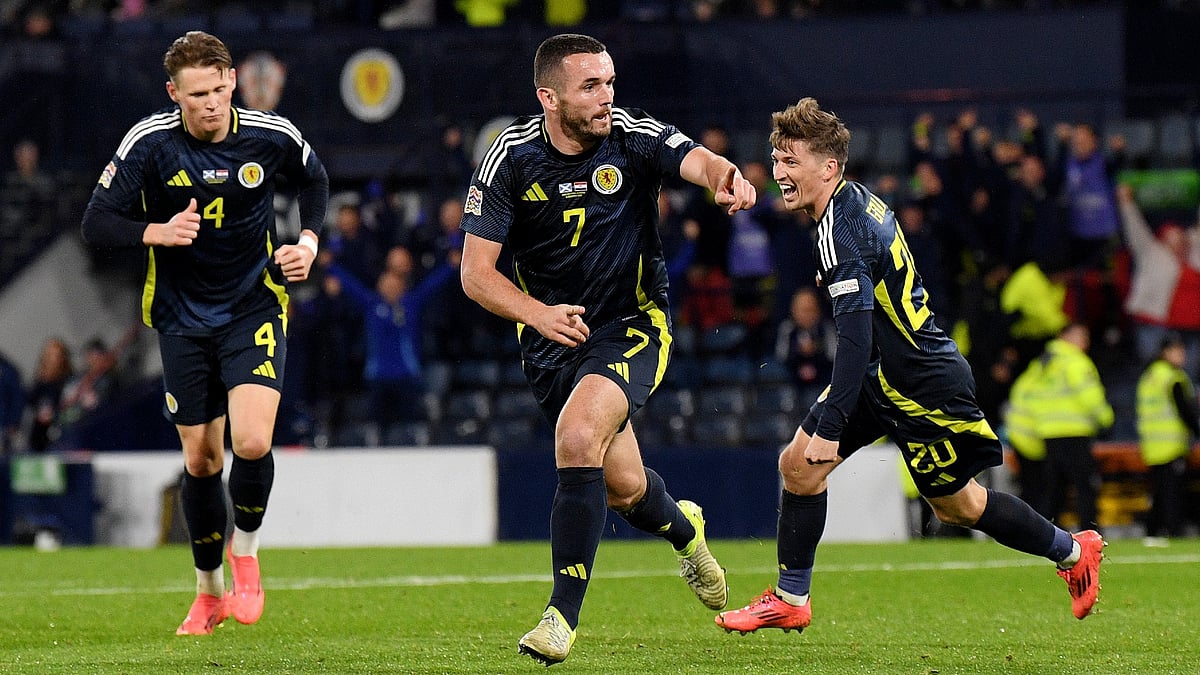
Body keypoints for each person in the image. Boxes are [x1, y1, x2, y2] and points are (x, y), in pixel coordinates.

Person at [715, 98, 1105, 638]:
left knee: (959, 507)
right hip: (887, 374)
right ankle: (791, 598)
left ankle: (1073, 550)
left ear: (828, 167)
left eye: (790, 161)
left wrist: (831, 428)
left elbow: (850, 340)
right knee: (799, 468)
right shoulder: (853, 205)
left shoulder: (841, 232)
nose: (780, 172)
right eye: (776, 160)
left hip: (924, 386)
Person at [458, 33, 755, 666]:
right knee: (623, 490)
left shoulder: (632, 138)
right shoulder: (508, 161)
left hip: (632, 325)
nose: (606, 98)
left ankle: (560, 618)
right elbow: (475, 275)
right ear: (549, 96)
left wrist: (724, 175)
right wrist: (537, 315)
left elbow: (696, 159)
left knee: (576, 435)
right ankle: (686, 530)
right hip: (550, 338)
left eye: (610, 82)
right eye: (590, 86)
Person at [80, 31, 329, 636]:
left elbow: (314, 182)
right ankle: (207, 590)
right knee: (201, 458)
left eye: (220, 89)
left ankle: (246, 551)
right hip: (181, 317)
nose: (212, 103)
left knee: (249, 441)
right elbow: (97, 222)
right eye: (198, 94)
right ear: (175, 93)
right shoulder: (149, 143)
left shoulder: (270, 135)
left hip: (253, 306)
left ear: (233, 82)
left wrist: (308, 242)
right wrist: (154, 232)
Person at [1015, 323, 1113, 533]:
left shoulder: (1043, 362)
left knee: (1054, 489)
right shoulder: (1075, 361)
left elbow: (1022, 393)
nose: (1084, 341)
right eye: (1080, 335)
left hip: (1048, 432)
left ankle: (1045, 533)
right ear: (1066, 336)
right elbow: (1090, 396)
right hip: (1075, 431)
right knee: (1085, 487)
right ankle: (1091, 532)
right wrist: (1106, 419)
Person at [1136, 332, 1199, 543]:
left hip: (1152, 444)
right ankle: (1174, 529)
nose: (1182, 355)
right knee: (1173, 492)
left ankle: (1153, 529)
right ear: (1165, 352)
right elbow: (1186, 412)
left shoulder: (1149, 376)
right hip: (1171, 444)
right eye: (1177, 351)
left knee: (1160, 490)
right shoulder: (1173, 378)